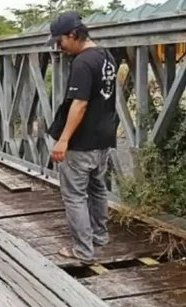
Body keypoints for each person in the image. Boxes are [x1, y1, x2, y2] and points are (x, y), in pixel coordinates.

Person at [46, 11, 118, 264]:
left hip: (81, 141)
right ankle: (99, 237)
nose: (59, 47)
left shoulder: (82, 62)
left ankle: (83, 251)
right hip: (103, 138)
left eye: (60, 41)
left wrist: (64, 139)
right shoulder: (106, 56)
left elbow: (80, 104)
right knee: (98, 190)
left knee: (74, 196)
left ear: (73, 35)